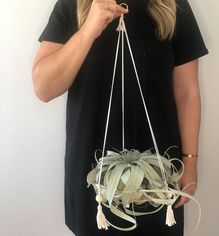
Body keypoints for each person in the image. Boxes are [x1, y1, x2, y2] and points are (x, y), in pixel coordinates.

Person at [32, 0, 208, 235]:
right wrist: (88, 31)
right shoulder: (73, 5)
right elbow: (44, 88)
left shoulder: (171, 5)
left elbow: (187, 92)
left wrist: (190, 162)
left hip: (159, 176)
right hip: (92, 178)